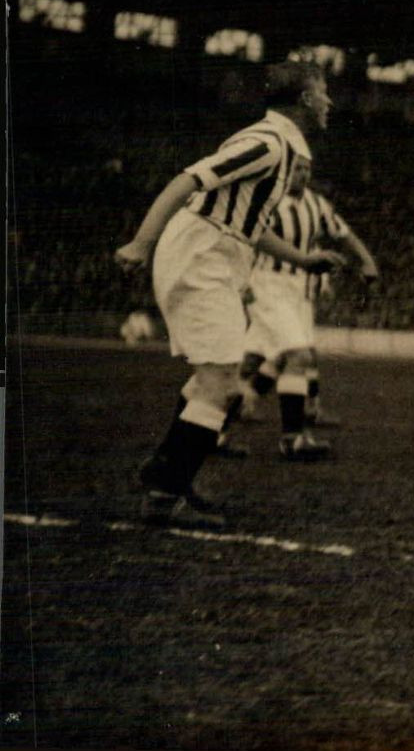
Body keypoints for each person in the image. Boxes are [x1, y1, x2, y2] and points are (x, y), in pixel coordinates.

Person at [114, 61, 345, 527]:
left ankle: (169, 474)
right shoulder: (265, 143)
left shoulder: (280, 148)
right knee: (221, 382)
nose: (329, 102)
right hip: (202, 253)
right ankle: (164, 493)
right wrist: (142, 241)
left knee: (213, 380)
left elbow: (252, 226)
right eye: (323, 92)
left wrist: (303, 260)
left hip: (220, 253)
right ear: (303, 99)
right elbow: (187, 181)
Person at [232, 170, 379, 461]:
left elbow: (344, 233)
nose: (301, 174)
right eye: (295, 168)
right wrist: (242, 281)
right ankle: (293, 437)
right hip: (267, 285)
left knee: (255, 359)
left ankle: (216, 427)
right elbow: (246, 241)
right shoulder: (269, 204)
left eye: (305, 168)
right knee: (298, 355)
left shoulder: (316, 204)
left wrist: (368, 261)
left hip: (297, 292)